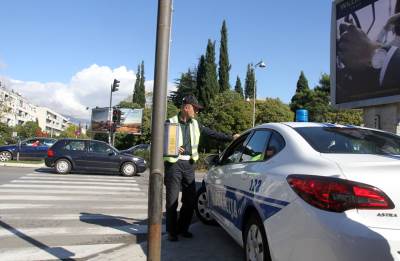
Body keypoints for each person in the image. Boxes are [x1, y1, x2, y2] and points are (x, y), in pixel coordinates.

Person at [163, 94, 239, 242]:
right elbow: (160, 142)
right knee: (172, 200)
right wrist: (170, 148)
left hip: (189, 165)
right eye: (195, 109)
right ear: (187, 107)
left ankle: (183, 228)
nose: (197, 112)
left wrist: (231, 137)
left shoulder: (196, 124)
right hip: (174, 165)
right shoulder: (170, 122)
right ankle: (172, 232)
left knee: (190, 200)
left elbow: (212, 134)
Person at [337, 0, 400, 102]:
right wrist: (385, 28)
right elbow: (378, 46)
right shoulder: (394, 43)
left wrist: (371, 55)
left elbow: (374, 50)